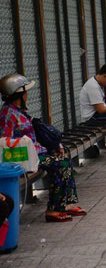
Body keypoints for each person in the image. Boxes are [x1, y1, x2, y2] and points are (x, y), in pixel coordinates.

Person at [0, 74, 86, 222]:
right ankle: (54, 209)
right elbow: (5, 141)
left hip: (36, 153)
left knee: (63, 160)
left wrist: (54, 146)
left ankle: (68, 204)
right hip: (24, 157)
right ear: (19, 94)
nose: (27, 94)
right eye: (25, 92)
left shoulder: (19, 111)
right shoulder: (8, 114)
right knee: (61, 166)